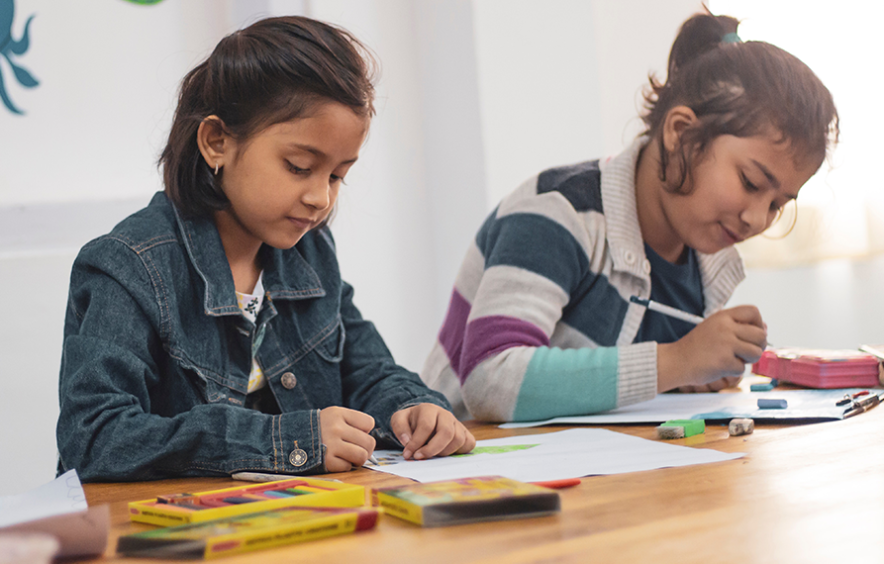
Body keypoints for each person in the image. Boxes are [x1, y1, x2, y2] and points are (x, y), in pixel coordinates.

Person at [56, 16, 475, 481]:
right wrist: (288, 442)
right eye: (299, 167)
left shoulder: (310, 254)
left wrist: (413, 408)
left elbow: (368, 371)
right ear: (217, 142)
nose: (321, 197)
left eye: (337, 175)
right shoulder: (128, 266)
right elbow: (95, 438)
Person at [421, 12, 839, 422]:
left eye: (778, 204)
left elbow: (624, 386)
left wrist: (694, 375)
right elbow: (490, 380)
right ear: (680, 133)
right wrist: (677, 361)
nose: (757, 219)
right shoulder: (557, 211)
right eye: (750, 181)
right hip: (473, 466)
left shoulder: (707, 261)